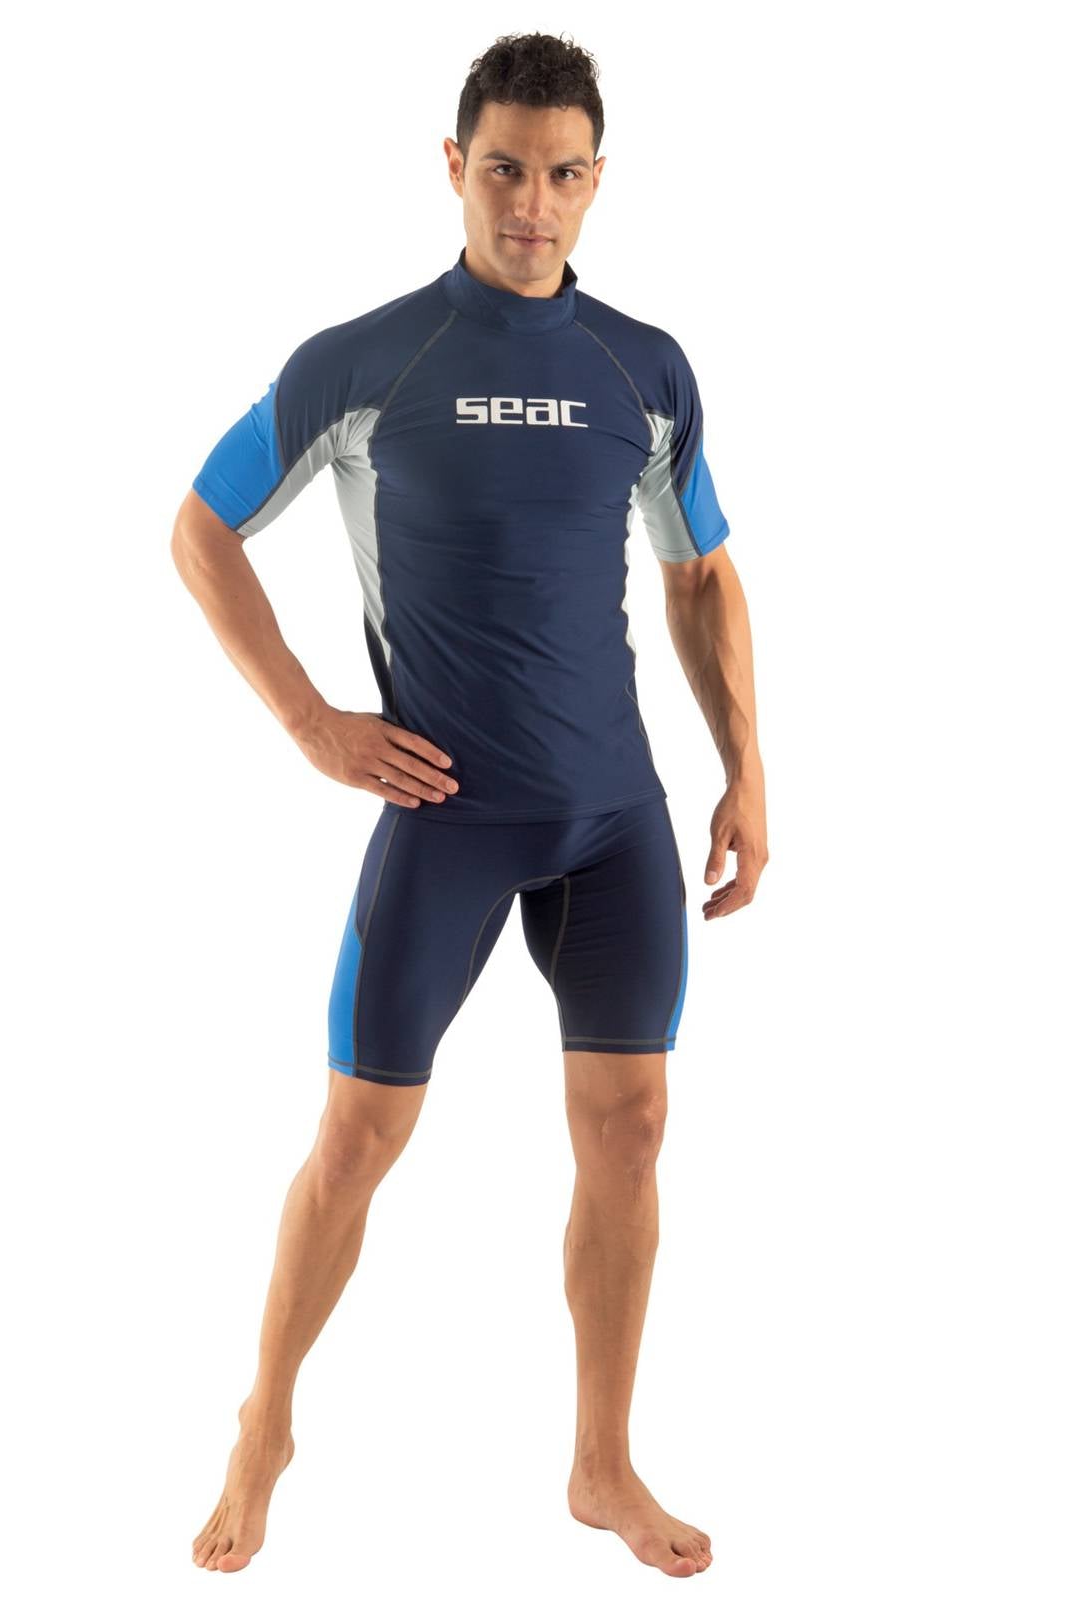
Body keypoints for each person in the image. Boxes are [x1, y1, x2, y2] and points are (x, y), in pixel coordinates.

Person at [171, 31, 766, 1579]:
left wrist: (748, 770)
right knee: (360, 1136)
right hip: (445, 815)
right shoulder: (365, 362)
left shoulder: (644, 366)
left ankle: (602, 1465)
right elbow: (200, 527)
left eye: (562, 174)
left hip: (611, 816)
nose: (531, 203)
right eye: (504, 168)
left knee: (632, 1126)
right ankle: (264, 1426)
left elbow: (701, 574)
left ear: (597, 181)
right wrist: (311, 720)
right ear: (455, 166)